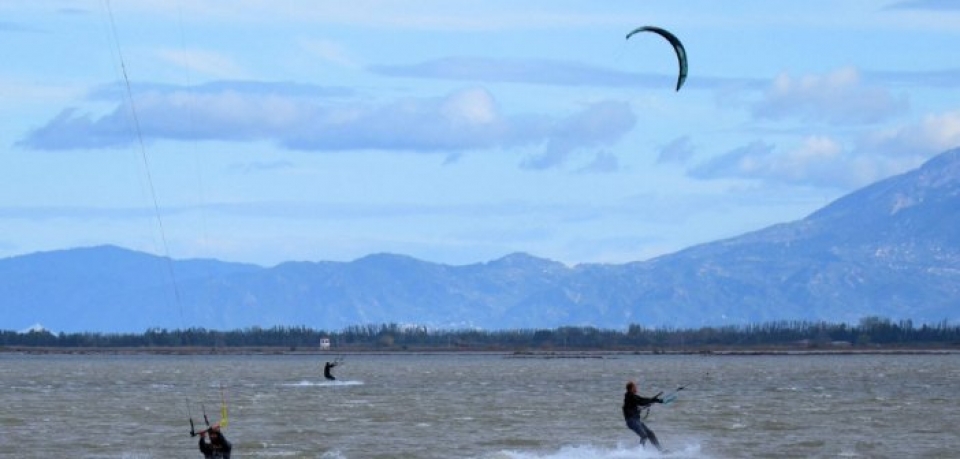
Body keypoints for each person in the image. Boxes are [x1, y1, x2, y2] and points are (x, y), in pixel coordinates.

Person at [622, 380, 664, 451]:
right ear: (632, 388)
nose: (636, 388)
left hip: (636, 421)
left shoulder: (632, 396)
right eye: (635, 387)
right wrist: (653, 400)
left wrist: (655, 400)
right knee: (644, 435)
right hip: (631, 421)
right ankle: (640, 453)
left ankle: (660, 451)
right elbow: (641, 402)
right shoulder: (630, 397)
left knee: (650, 434)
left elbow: (642, 399)